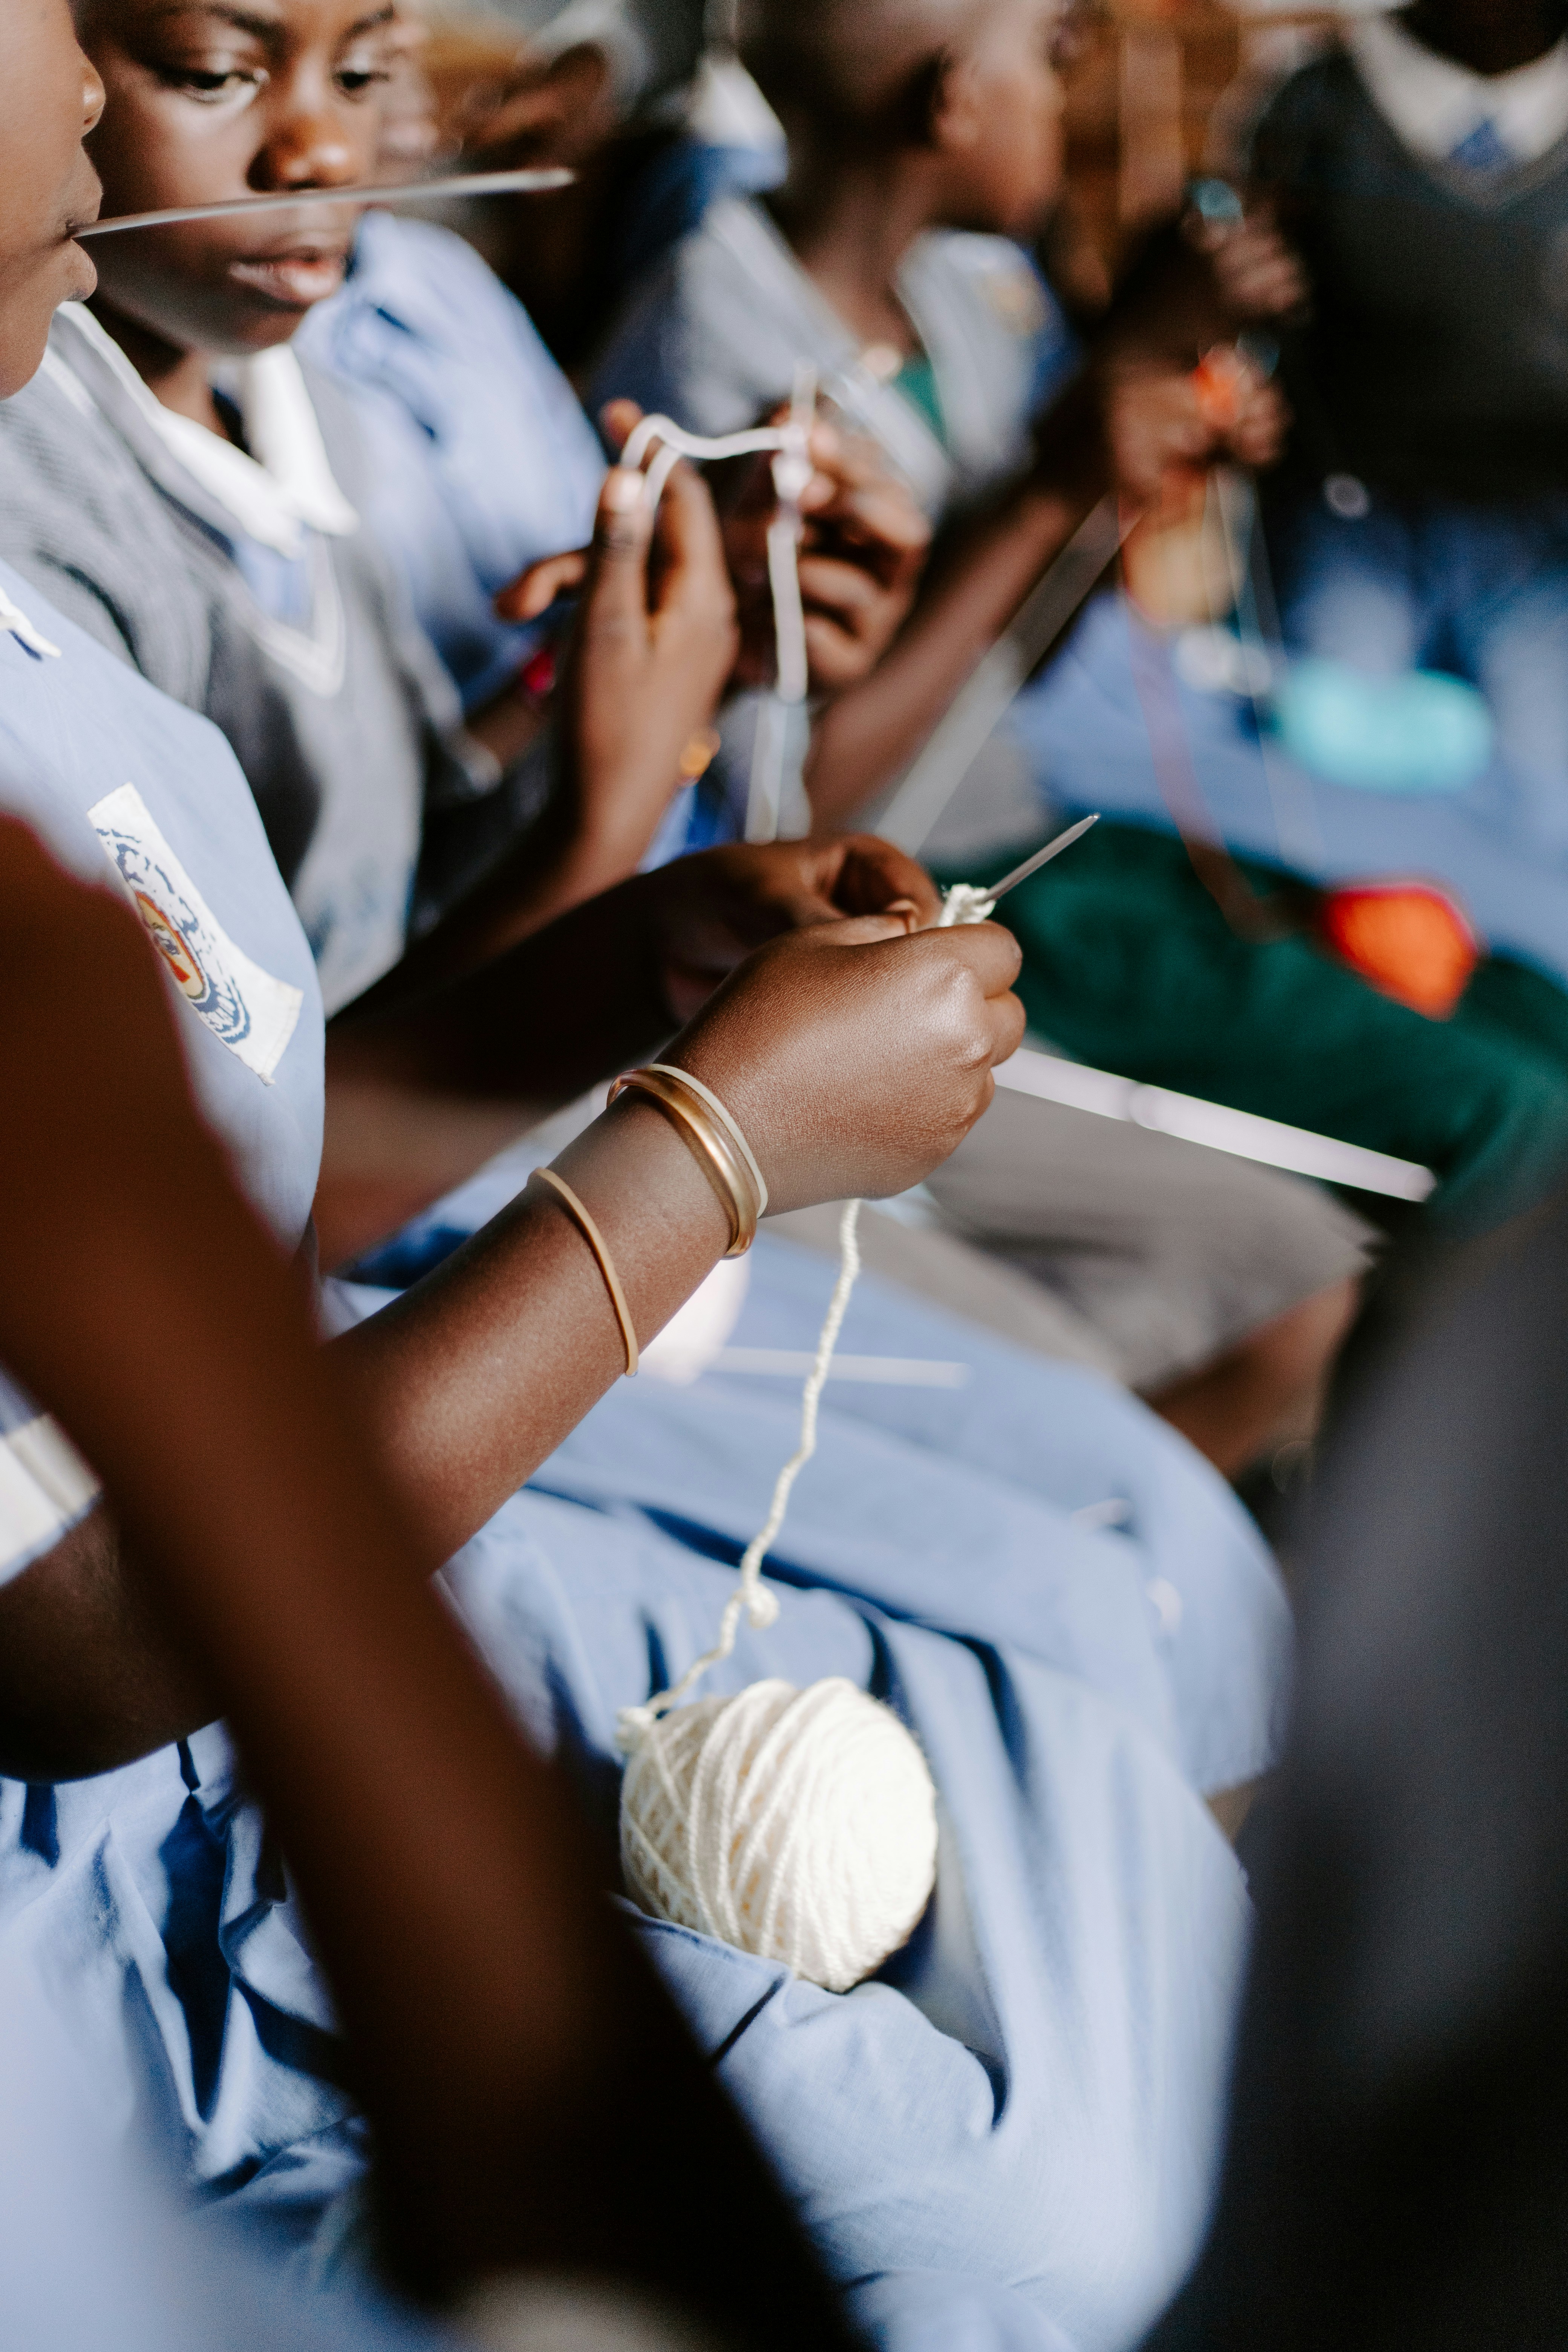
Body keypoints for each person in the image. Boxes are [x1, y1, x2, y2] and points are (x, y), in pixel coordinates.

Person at [0, 12, 1286, 2349]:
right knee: (1047, 2211)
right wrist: (705, 1151)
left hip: (303, 1566)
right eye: (88, 34)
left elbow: (227, 1199)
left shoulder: (37, 611)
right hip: (116, 1840)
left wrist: (623, 966)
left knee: (1098, 1731)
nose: (86, 81)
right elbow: (69, 1628)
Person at [589, 0, 1568, 1239]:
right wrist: (1054, 488)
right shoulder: (717, 354)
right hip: (916, 899)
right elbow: (794, 808)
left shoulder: (961, 295)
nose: (1067, 95)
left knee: (1536, 1006)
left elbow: (1030, 654)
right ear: (952, 102)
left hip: (1040, 826)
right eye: (1051, 61)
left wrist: (1127, 449)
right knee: (1510, 1120)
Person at [1250, 0, 1568, 864]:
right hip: (1348, 516)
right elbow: (1245, 302)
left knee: (1550, 810)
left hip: (1545, 542)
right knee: (1331, 811)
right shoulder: (1314, 100)